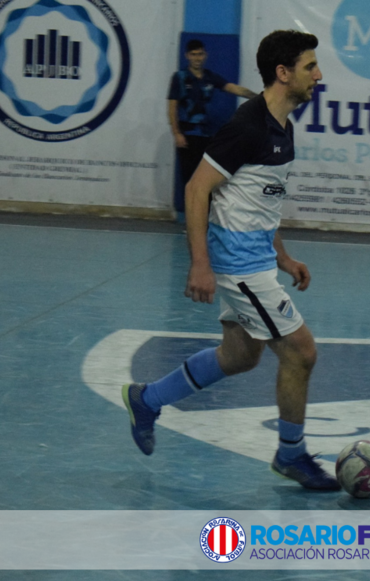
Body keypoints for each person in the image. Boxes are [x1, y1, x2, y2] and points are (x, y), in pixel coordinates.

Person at [124, 30, 338, 491]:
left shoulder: (284, 127)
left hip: (257, 256)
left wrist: (281, 254)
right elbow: (197, 189)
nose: (318, 75)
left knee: (240, 355)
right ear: (283, 74)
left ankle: (148, 399)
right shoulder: (247, 127)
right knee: (301, 353)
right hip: (237, 264)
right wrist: (199, 263)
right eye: (309, 67)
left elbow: (262, 199)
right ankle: (291, 455)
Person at [168, 39, 256, 205]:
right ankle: (191, 224)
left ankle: (206, 222)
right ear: (187, 56)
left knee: (206, 181)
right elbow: (172, 107)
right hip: (187, 137)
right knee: (189, 181)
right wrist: (177, 133)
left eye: (200, 54)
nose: (197, 58)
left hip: (207, 137)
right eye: (193, 54)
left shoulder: (210, 77)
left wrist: (259, 97)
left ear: (205, 55)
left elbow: (233, 88)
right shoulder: (179, 78)